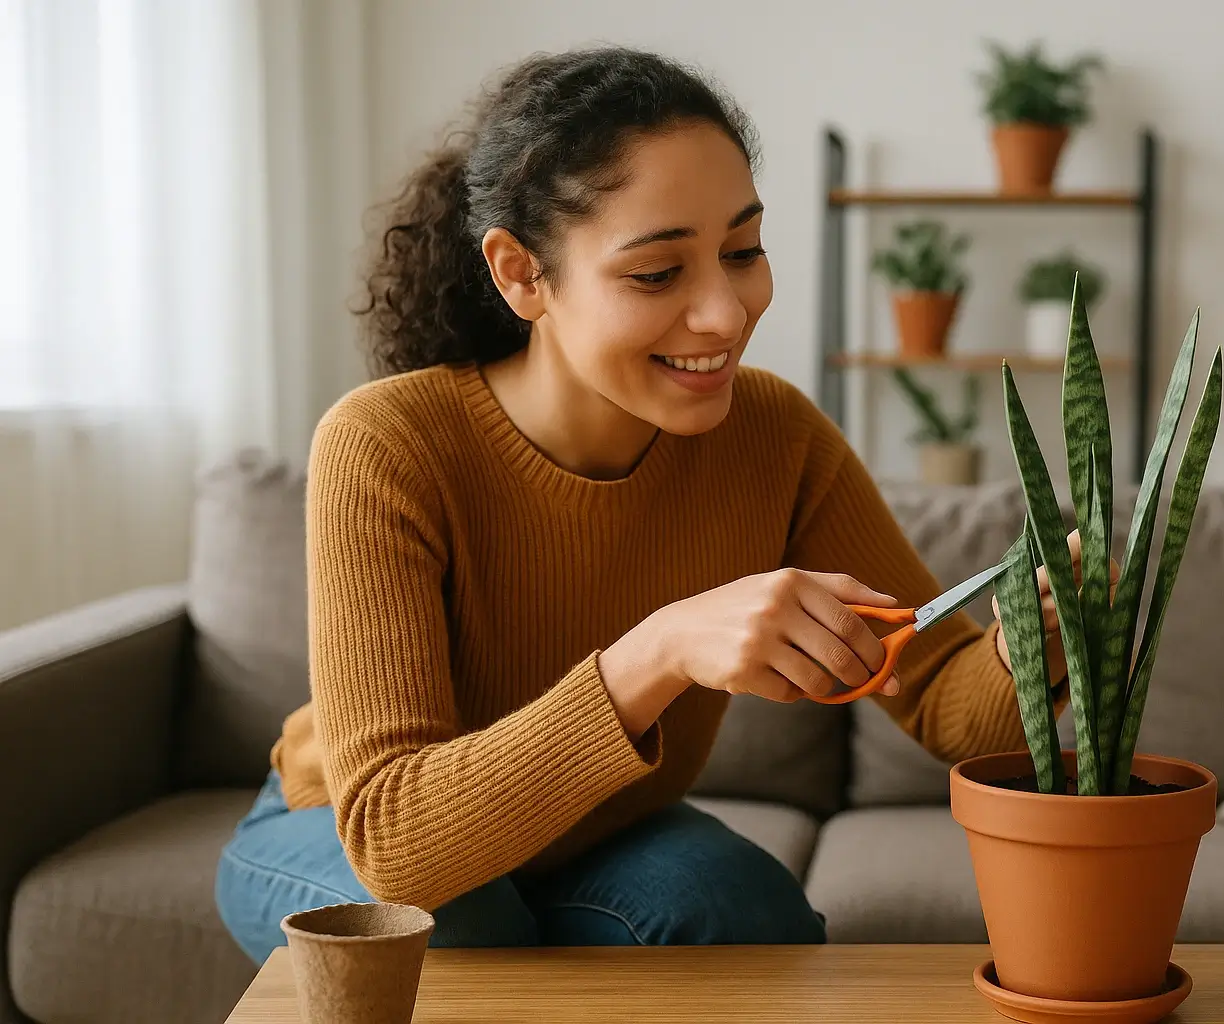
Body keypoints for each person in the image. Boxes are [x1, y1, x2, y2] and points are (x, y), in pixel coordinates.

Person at [214, 45, 1089, 965]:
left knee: (743, 909)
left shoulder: (774, 436)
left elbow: (947, 698)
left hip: (594, 831)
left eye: (742, 252)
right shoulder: (387, 443)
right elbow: (400, 844)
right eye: (657, 274)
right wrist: (662, 650)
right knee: (464, 924)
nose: (725, 312)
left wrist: (1039, 637)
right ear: (520, 274)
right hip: (348, 833)